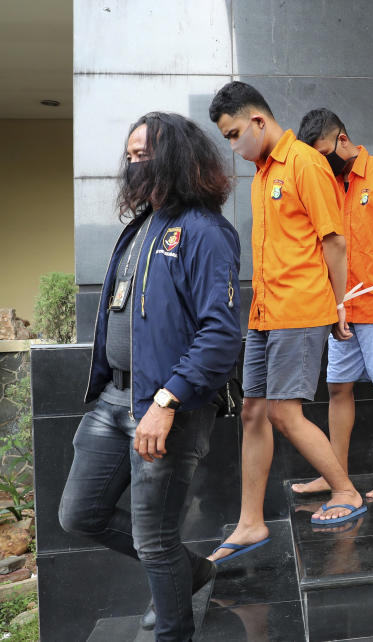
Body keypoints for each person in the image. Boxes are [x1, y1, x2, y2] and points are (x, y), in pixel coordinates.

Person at [58, 112, 242, 640]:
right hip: (114, 398)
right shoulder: (141, 226)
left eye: (146, 154)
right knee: (80, 514)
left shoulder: (206, 232)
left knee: (154, 537)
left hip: (167, 406)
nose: (134, 163)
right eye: (132, 155)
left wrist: (166, 401)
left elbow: (220, 333)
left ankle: (173, 627)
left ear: (179, 158)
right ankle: (194, 571)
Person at [207, 81, 365, 562]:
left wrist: (340, 307)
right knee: (252, 411)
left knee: (282, 411)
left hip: (301, 308)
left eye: (234, 134)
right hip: (265, 310)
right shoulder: (261, 175)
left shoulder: (305, 163)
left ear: (258, 121)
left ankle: (345, 492)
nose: (233, 146)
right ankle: (250, 523)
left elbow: (334, 242)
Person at [290, 108, 373, 499]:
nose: (321, 162)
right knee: (337, 388)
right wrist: (334, 303)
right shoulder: (327, 184)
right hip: (343, 308)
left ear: (342, 140)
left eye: (323, 152)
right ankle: (336, 475)